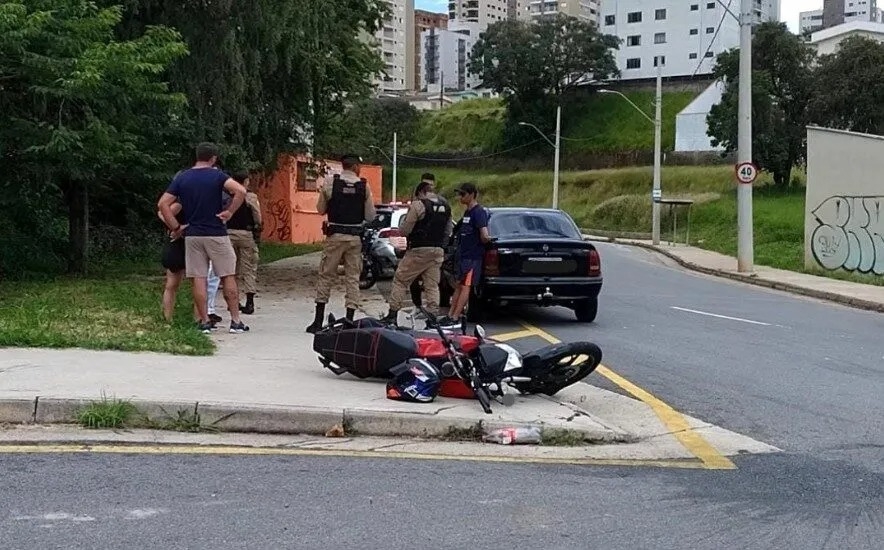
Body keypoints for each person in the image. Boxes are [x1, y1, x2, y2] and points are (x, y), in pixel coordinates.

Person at [157, 142, 251, 334]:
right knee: (227, 275)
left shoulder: (183, 178)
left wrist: (175, 227)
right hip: (216, 232)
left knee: (198, 278)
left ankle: (204, 322)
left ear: (197, 156)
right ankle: (235, 321)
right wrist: (230, 212)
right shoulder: (217, 176)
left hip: (192, 235)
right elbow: (240, 191)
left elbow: (163, 204)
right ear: (213, 158)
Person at [306, 154, 377, 333]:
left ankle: (318, 321)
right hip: (354, 238)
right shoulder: (364, 185)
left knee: (326, 276)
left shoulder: (331, 183)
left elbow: (320, 209)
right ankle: (349, 320)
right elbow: (370, 216)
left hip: (335, 236)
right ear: (355, 167)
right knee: (352, 278)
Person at [381, 174, 452, 327]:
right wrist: (441, 246)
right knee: (432, 285)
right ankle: (432, 318)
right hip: (437, 250)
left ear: (420, 192)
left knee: (400, 280)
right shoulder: (446, 206)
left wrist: (404, 232)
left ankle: (392, 315)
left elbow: (405, 230)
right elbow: (448, 230)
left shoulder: (418, 205)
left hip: (419, 250)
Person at [438, 182, 491, 326]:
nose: (460, 197)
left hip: (473, 257)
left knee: (466, 287)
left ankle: (455, 317)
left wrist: (487, 241)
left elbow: (484, 235)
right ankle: (450, 315)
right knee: (459, 286)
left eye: (463, 194)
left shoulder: (479, 212)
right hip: (463, 257)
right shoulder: (467, 213)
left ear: (472, 194)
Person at [225, 170, 262, 315]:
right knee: (249, 268)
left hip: (228, 234)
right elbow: (257, 217)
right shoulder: (250, 196)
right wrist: (258, 226)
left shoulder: (227, 196)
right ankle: (250, 302)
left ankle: (233, 302)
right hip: (246, 234)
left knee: (230, 269)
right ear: (246, 181)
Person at [158, 200, 187, 323]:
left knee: (172, 284)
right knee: (172, 284)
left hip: (181, 243)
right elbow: (162, 213)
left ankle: (167, 318)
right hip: (178, 244)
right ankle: (167, 317)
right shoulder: (180, 203)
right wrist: (176, 227)